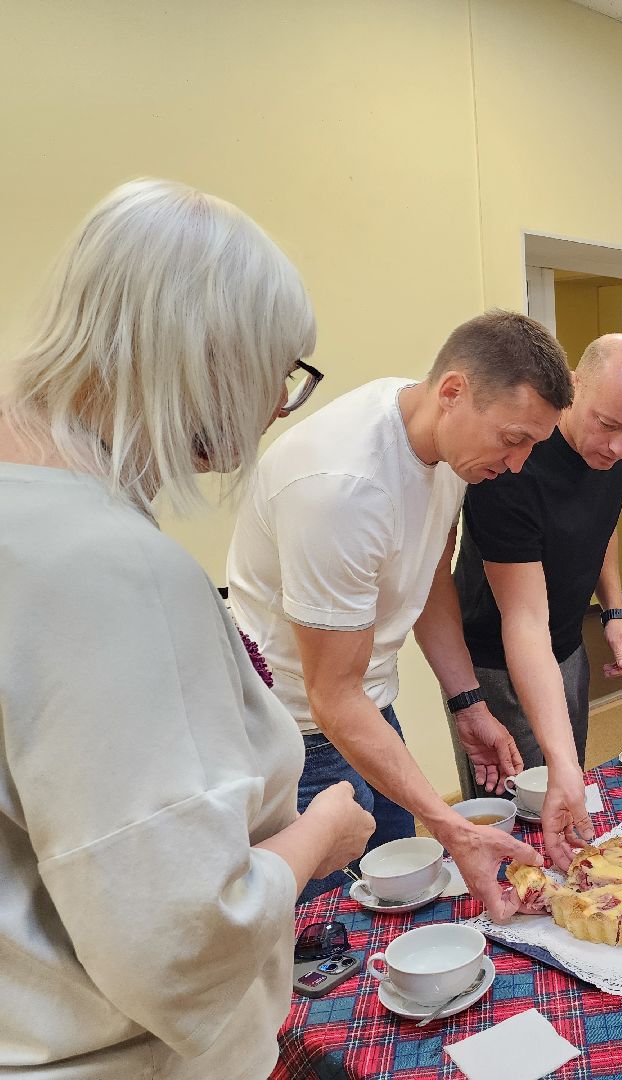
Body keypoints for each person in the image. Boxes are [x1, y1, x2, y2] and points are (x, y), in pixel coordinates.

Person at [0, 179, 373, 1078]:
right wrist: (320, 832)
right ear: (214, 358)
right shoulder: (107, 564)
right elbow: (177, 935)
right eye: (279, 374)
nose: (276, 407)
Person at [227, 311, 579, 909]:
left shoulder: (439, 440)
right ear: (452, 393)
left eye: (532, 445)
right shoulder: (341, 488)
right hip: (291, 733)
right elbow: (331, 696)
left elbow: (426, 576)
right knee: (331, 937)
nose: (517, 463)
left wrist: (466, 700)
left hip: (370, 707)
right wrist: (451, 825)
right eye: (513, 438)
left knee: (400, 903)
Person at [450, 334, 622, 795]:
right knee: (518, 804)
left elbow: (602, 522)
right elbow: (523, 619)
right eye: (607, 424)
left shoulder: (617, 449)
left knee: (568, 780)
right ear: (573, 387)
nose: (618, 447)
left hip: (568, 646)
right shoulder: (511, 465)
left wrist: (614, 610)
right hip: (497, 659)